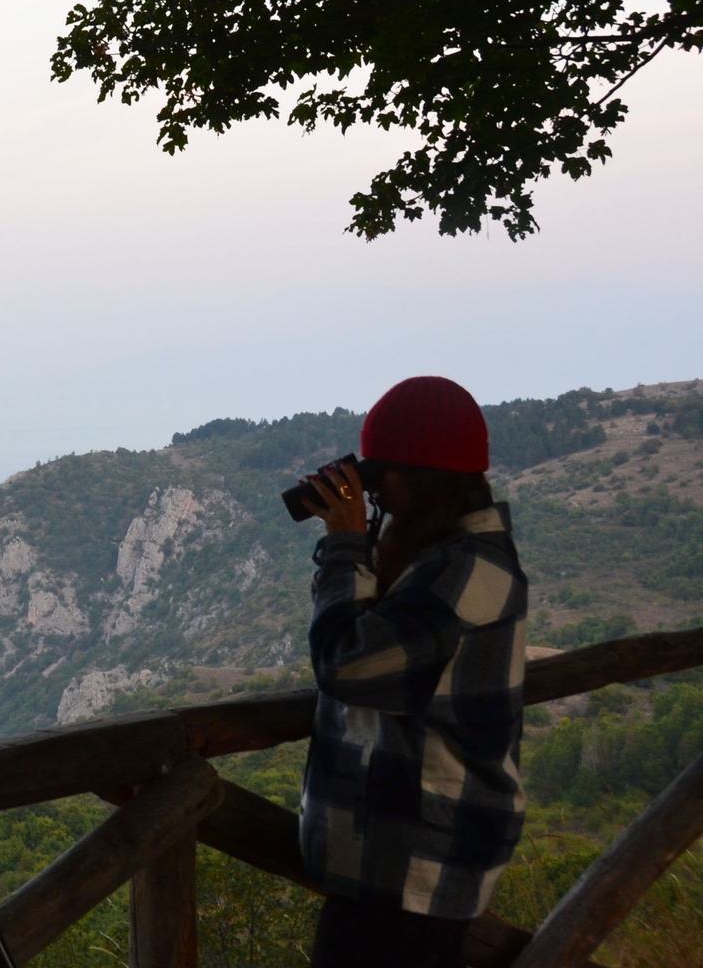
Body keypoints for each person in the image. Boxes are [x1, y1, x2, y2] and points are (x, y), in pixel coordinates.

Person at [295, 376, 527, 968]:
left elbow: (346, 663)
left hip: (416, 868)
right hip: (396, 867)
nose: (376, 488)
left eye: (381, 472)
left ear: (423, 478)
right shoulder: (441, 557)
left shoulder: (468, 570)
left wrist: (345, 545)